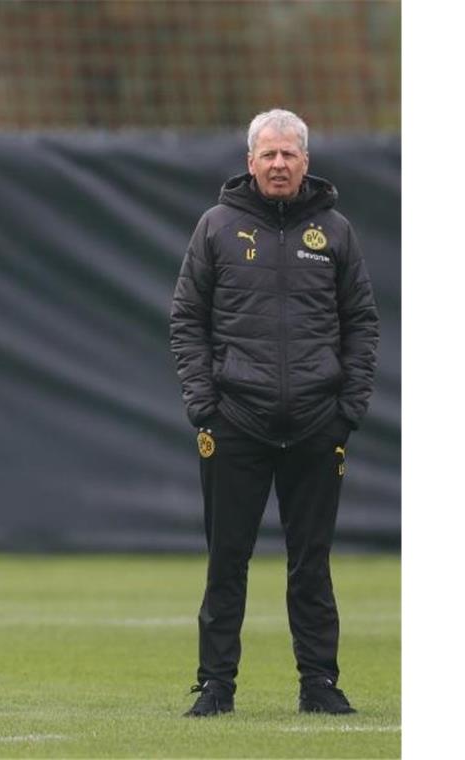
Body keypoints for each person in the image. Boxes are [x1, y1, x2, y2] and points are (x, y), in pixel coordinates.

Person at [169, 108, 379, 717]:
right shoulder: (216, 227)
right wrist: (205, 404)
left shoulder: (335, 232)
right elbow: (187, 318)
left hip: (318, 423)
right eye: (269, 154)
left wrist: (348, 409)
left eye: (290, 154)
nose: (280, 164)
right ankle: (215, 686)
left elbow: (362, 323)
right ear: (250, 161)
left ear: (306, 162)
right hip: (236, 420)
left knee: (310, 564)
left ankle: (319, 684)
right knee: (226, 559)